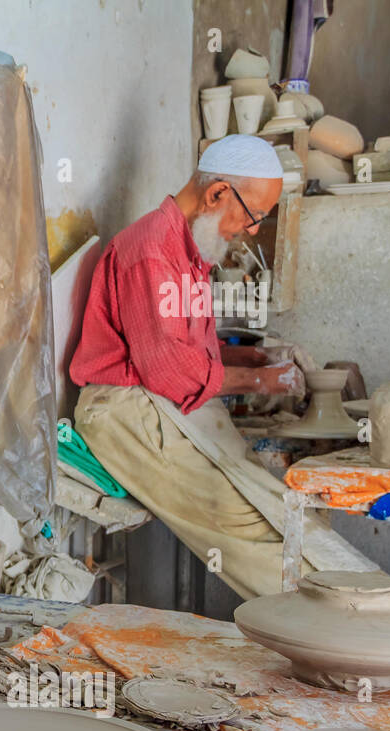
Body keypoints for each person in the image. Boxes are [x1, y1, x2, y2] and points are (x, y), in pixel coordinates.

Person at [71, 134, 314, 599]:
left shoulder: (189, 250)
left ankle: (331, 614)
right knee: (245, 516)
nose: (252, 230)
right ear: (218, 193)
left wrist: (256, 357)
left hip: (161, 402)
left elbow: (188, 351)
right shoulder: (150, 250)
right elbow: (169, 370)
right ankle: (317, 630)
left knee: (280, 501)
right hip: (123, 411)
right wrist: (267, 380)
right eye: (253, 215)